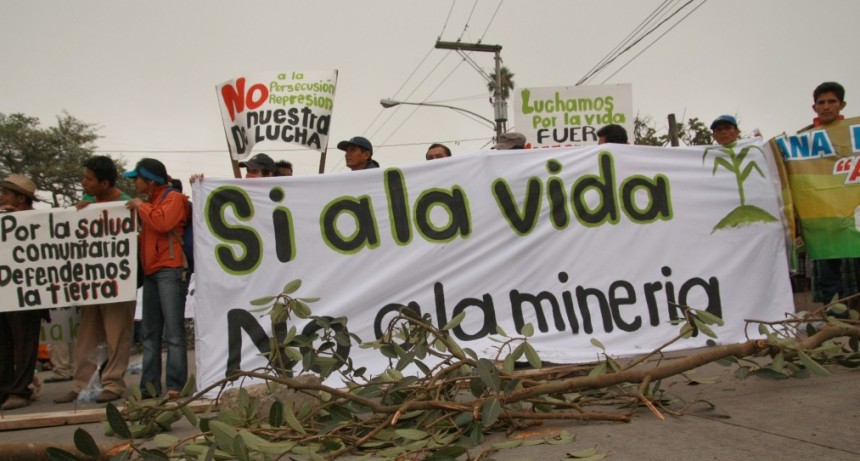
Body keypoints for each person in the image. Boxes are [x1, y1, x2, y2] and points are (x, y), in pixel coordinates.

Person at [53, 156, 137, 404]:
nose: (84, 183)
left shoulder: (125, 206)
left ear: (105, 183)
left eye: (89, 179)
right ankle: (81, 384)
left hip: (118, 284)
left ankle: (113, 383)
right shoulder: (86, 204)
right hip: (91, 285)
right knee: (87, 336)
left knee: (116, 335)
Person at [123, 158, 190, 399]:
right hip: (152, 271)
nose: (134, 183)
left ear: (150, 181)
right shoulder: (151, 201)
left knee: (173, 331)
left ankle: (175, 385)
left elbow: (163, 222)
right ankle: (149, 388)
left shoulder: (174, 198)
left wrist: (141, 206)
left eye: (137, 178)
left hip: (170, 269)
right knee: (150, 333)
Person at [798, 82, 857, 308]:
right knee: (827, 268)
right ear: (814, 108)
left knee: (854, 263)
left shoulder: (854, 133)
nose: (826, 106)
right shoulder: (803, 138)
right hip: (821, 213)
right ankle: (834, 316)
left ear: (842, 104)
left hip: (853, 212)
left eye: (831, 101)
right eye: (821, 102)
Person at [0, 174, 49, 410]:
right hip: (4, 290)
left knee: (25, 341)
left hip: (28, 291)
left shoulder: (37, 220)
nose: (2, 197)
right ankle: (5, 388)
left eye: (7, 193)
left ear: (21, 198)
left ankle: (20, 389)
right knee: (4, 342)